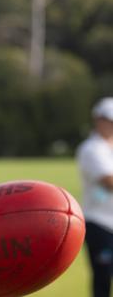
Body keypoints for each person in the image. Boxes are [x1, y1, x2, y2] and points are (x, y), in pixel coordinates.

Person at [77, 97, 113, 297]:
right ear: (98, 120)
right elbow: (109, 181)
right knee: (102, 280)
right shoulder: (91, 149)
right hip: (99, 224)